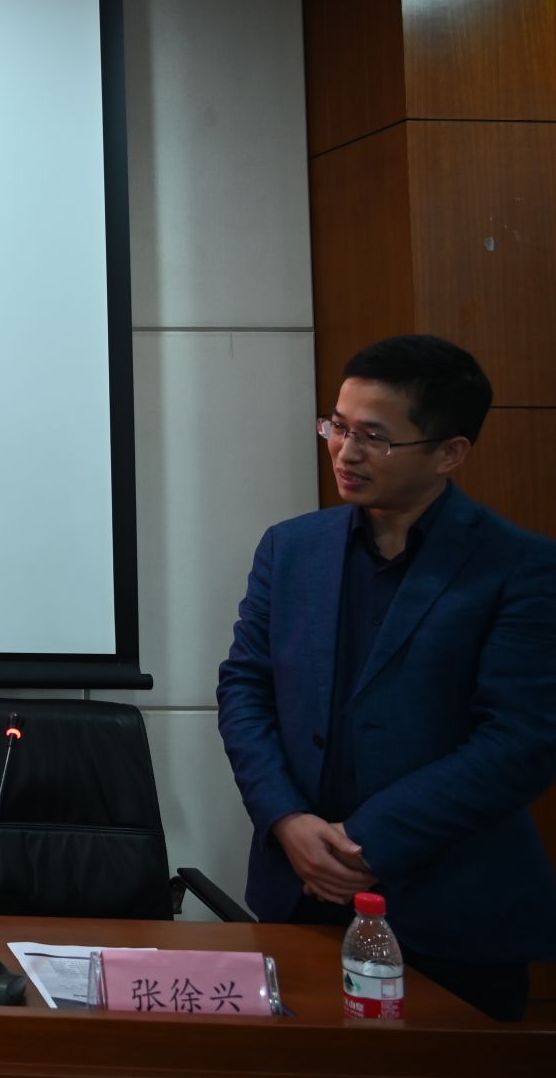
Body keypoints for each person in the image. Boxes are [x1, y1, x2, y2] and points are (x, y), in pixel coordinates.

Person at [216, 334, 556, 1021]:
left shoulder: (520, 567)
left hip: (451, 912)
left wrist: (367, 841)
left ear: (449, 452)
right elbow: (245, 689)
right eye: (337, 426)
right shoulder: (292, 547)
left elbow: (520, 741)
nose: (346, 452)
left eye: (374, 437)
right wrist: (287, 819)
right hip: (299, 896)